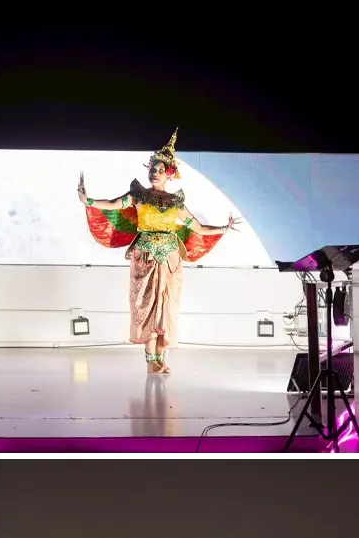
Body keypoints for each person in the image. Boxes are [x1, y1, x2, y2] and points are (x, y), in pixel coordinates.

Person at [78, 130, 241, 374]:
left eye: (159, 170)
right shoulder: (139, 195)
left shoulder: (175, 203)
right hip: (145, 257)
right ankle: (150, 361)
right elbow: (113, 204)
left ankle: (161, 359)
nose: (154, 173)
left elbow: (197, 226)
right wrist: (88, 201)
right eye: (152, 169)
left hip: (170, 259)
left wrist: (223, 228)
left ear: (169, 174)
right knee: (146, 307)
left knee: (166, 307)